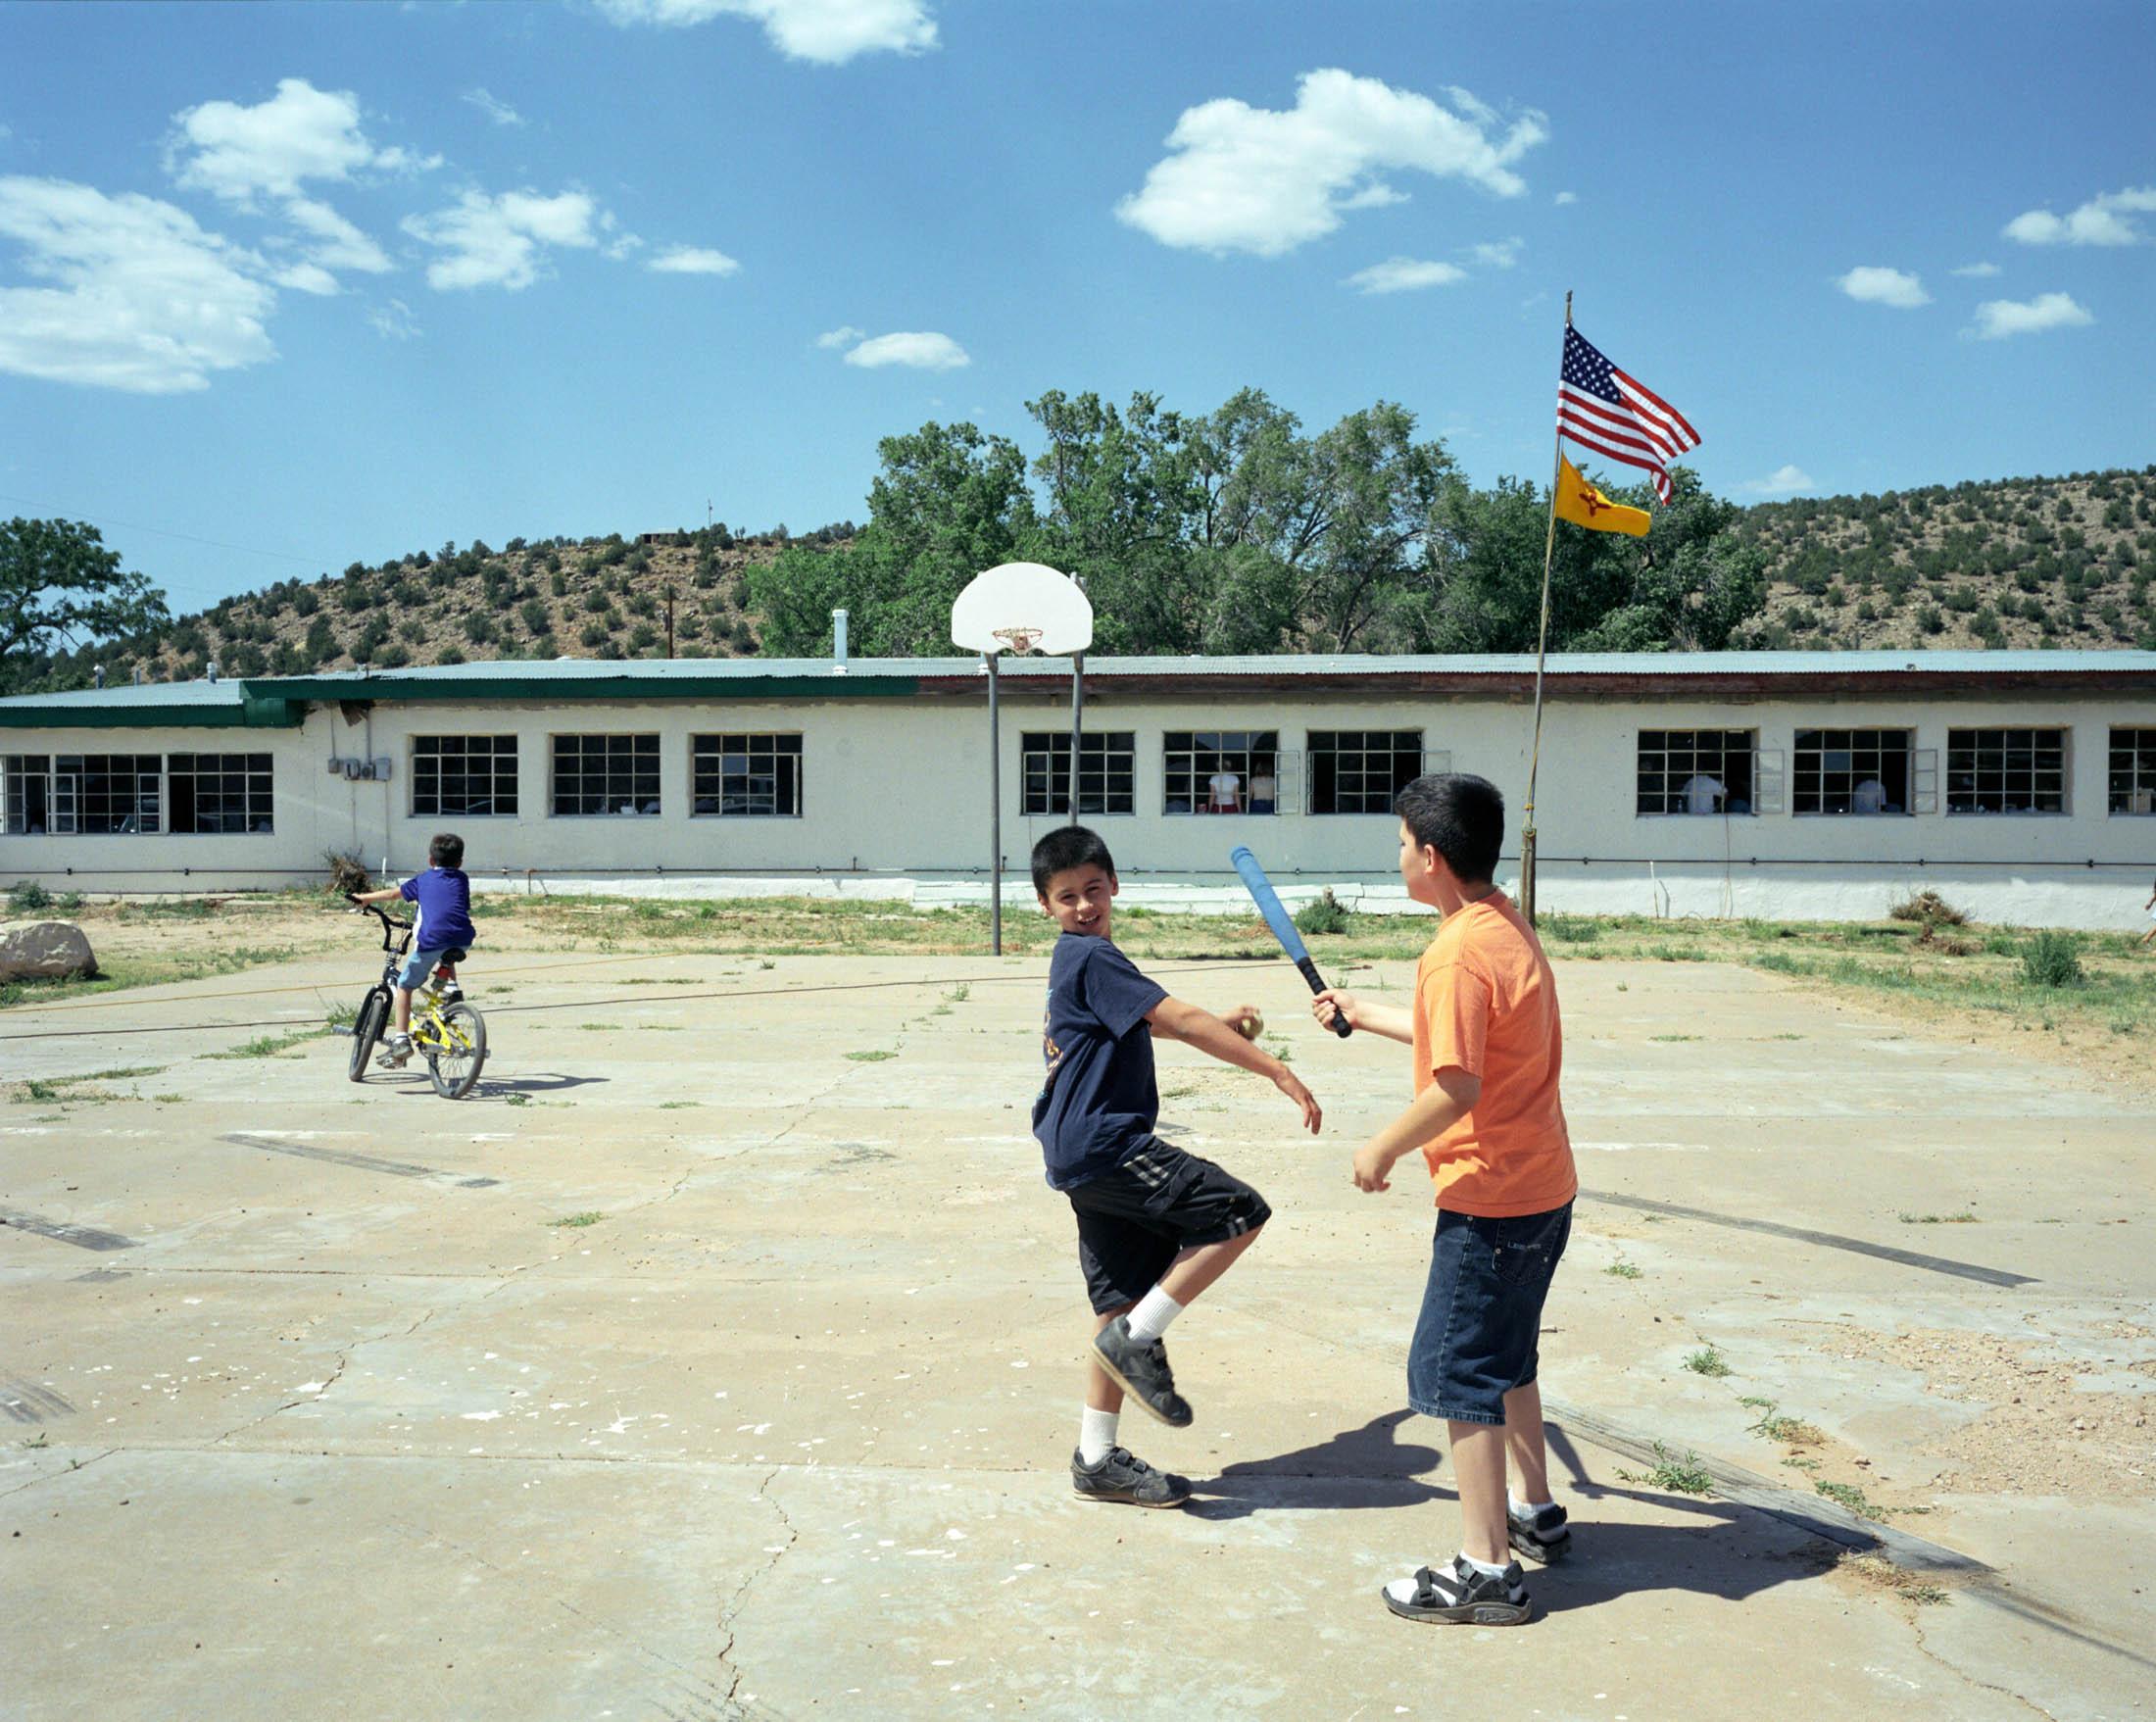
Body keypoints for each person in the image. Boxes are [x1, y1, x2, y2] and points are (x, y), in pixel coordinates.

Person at [1310, 773, 1577, 1626]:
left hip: (1489, 1201)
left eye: (1399, 846)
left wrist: (1381, 1144)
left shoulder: (1454, 954)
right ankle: (1534, 1508)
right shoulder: (1500, 925)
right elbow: (1470, 1037)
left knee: (1458, 1373)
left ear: (1429, 857)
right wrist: (1365, 1010)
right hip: (1542, 1187)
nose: (1396, 860)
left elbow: (1456, 1084)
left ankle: (1486, 1568)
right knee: (1508, 1360)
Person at [1030, 825, 1320, 1508]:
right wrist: (1277, 1069)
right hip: (1108, 1144)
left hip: (1076, 1154)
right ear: (1046, 905)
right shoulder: (1090, 957)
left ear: (1114, 886)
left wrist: (1217, 1019)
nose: (1082, 905)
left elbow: (1151, 1019)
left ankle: (1096, 1457)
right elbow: (1179, 1019)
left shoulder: (1083, 962)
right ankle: (1138, 1340)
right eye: (1065, 896)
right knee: (1238, 1213)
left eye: (1092, 890)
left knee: (1115, 1303)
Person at [351, 832, 475, 1068]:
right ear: (460, 862)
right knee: (446, 954)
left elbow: (393, 894)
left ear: (430, 860)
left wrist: (365, 898)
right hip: (463, 938)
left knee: (405, 986)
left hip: (431, 940)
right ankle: (452, 987)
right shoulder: (462, 879)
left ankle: (401, 1041)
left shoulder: (423, 880)